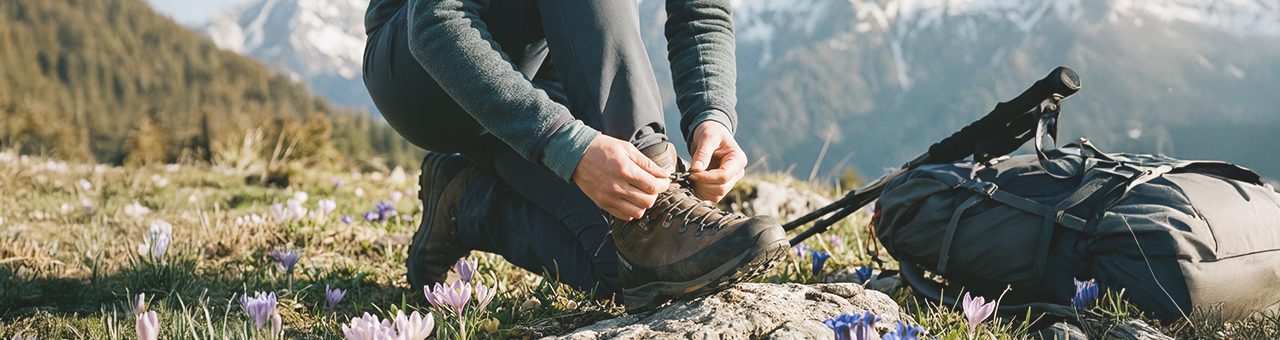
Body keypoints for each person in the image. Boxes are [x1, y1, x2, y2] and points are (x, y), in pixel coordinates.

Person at [362, 0, 788, 313]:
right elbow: (436, 18)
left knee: (630, 269)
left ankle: (466, 201)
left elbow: (700, 10)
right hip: (422, 72)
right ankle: (654, 209)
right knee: (645, 239)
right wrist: (569, 146)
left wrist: (711, 115)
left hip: (538, 70)